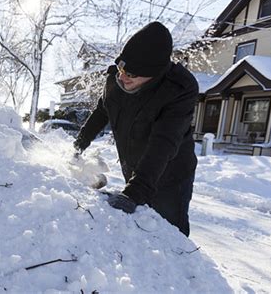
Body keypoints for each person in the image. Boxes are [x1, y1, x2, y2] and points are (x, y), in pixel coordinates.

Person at [73, 22, 198, 237]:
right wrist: (77, 147)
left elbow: (164, 142)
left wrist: (135, 192)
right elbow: (102, 111)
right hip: (134, 166)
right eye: (121, 68)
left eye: (129, 73)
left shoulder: (179, 89)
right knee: (138, 230)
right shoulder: (117, 80)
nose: (121, 76)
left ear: (154, 73)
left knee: (168, 232)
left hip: (169, 174)